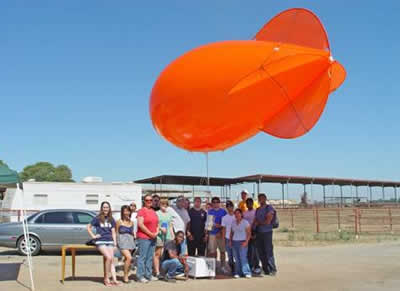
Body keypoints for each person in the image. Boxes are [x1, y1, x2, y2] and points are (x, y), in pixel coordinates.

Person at [87, 201, 121, 287]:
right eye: (104, 207)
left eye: (107, 207)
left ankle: (114, 279)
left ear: (109, 209)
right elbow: (88, 227)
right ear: (101, 208)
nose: (105, 209)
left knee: (112, 259)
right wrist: (93, 236)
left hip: (110, 241)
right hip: (101, 241)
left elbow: (113, 232)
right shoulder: (97, 218)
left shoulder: (111, 219)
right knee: (108, 258)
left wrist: (115, 243)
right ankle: (106, 278)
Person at [136, 194, 159, 283]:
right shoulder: (141, 211)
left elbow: (157, 224)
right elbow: (140, 224)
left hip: (153, 237)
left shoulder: (153, 211)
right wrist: (150, 234)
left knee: (150, 257)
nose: (149, 201)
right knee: (143, 257)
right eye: (147, 200)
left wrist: (156, 233)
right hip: (144, 237)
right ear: (144, 201)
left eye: (151, 200)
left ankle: (148, 275)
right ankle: (140, 276)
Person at [254, 193, 277, 276]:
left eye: (262, 198)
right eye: (259, 198)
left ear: (265, 199)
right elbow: (255, 221)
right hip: (259, 232)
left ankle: (272, 269)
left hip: (267, 232)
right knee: (261, 251)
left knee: (268, 251)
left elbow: (268, 221)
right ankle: (265, 269)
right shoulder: (258, 209)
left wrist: (259, 223)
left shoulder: (269, 208)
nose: (261, 200)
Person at [154, 199, 174, 278]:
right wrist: (160, 229)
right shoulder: (156, 213)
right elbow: (154, 224)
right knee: (158, 254)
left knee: (165, 255)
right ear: (159, 204)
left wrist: (173, 235)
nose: (164, 205)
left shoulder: (169, 214)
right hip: (159, 236)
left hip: (168, 236)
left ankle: (163, 271)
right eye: (162, 203)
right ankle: (157, 272)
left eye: (166, 204)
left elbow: (170, 226)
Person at [230, 209, 252, 278]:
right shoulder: (233, 223)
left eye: (238, 213)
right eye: (235, 213)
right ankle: (238, 273)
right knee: (236, 258)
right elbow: (232, 233)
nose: (237, 215)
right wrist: (230, 241)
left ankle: (247, 272)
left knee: (243, 258)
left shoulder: (245, 222)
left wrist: (246, 242)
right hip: (235, 242)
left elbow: (249, 233)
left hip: (242, 242)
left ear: (241, 214)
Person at [116, 205, 135, 283]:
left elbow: (132, 233)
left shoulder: (132, 222)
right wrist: (117, 243)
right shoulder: (119, 221)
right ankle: (125, 276)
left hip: (130, 242)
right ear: (122, 212)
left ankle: (125, 273)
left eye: (128, 211)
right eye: (125, 211)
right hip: (122, 242)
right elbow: (116, 232)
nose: (126, 212)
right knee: (129, 258)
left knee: (127, 260)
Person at [207, 197, 227, 270]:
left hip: (221, 234)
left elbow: (225, 224)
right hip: (212, 234)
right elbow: (208, 225)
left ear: (219, 203)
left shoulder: (223, 211)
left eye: (217, 202)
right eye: (214, 202)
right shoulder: (209, 211)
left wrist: (220, 231)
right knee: (212, 252)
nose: (215, 203)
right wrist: (207, 234)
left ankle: (223, 266)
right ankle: (214, 266)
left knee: (222, 251)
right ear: (212, 203)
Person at [243, 198, 261, 274]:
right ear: (246, 205)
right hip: (247, 233)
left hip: (254, 231)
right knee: (249, 251)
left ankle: (257, 266)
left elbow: (257, 221)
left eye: (250, 203)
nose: (249, 204)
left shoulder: (256, 212)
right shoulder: (244, 213)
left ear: (252, 203)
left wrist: (254, 232)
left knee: (255, 250)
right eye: (247, 203)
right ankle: (250, 266)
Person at [221, 200, 235, 273]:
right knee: (230, 255)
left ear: (233, 207)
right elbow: (224, 229)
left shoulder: (237, 216)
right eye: (228, 207)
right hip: (227, 238)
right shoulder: (224, 218)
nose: (230, 208)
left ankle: (238, 269)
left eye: (231, 206)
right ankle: (232, 269)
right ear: (226, 208)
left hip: (236, 239)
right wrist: (223, 240)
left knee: (236, 255)